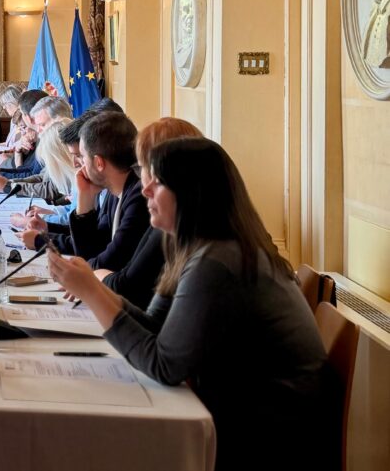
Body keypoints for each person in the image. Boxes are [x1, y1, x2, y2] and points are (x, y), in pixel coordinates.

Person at [48, 138, 332, 471]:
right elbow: (156, 327)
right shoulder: (196, 246)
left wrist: (93, 292)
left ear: (191, 193)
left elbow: (164, 365)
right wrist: (92, 288)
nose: (145, 190)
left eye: (157, 182)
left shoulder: (219, 261)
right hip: (242, 412)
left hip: (267, 436)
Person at [94, 117, 203, 309]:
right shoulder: (173, 221)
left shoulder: (172, 222)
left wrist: (93, 277)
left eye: (143, 167)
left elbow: (127, 288)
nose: (144, 188)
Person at [22, 111, 148, 272]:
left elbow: (107, 262)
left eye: (81, 156)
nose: (76, 164)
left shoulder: (138, 197)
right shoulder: (114, 192)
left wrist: (77, 273)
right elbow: (94, 246)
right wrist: (85, 199)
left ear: (98, 163)